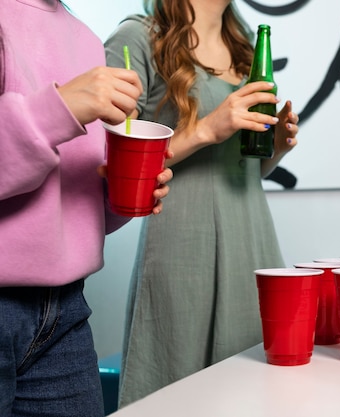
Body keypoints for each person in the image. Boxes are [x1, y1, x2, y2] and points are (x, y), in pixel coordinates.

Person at [104, 0, 299, 407]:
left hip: (253, 239)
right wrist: (208, 128)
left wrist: (274, 148)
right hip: (182, 246)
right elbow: (113, 163)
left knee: (256, 391)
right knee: (178, 394)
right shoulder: (139, 36)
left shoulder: (243, 41)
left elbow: (247, 170)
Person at [0, 1, 173, 416]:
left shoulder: (87, 40)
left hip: (65, 314)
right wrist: (58, 110)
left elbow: (66, 205)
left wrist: (121, 195)